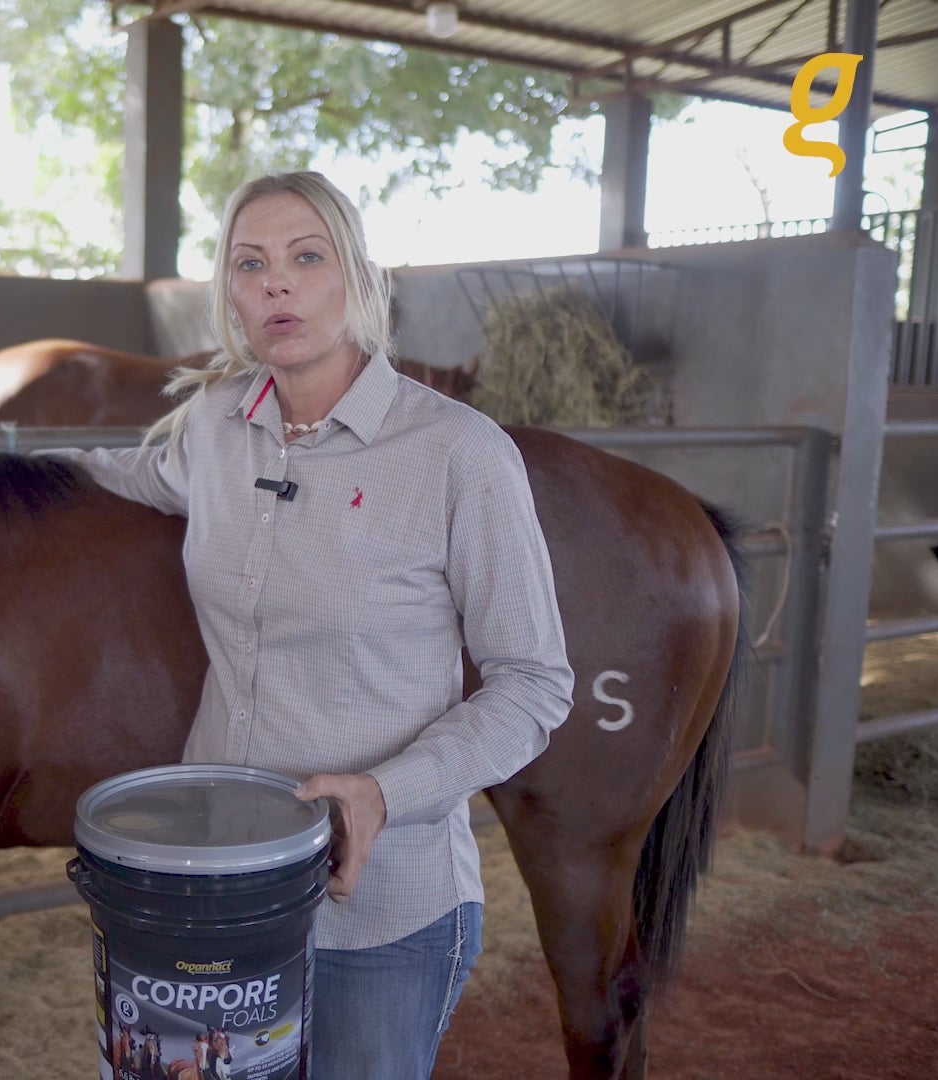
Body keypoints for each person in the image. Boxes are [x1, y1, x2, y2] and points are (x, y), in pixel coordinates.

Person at [50, 172, 573, 1079]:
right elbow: (125, 477)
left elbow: (535, 685)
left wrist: (384, 792)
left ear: (359, 279)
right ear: (230, 294)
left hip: (380, 910)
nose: (276, 284)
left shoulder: (458, 453)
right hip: (217, 889)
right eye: (249, 264)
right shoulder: (215, 428)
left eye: (306, 257)